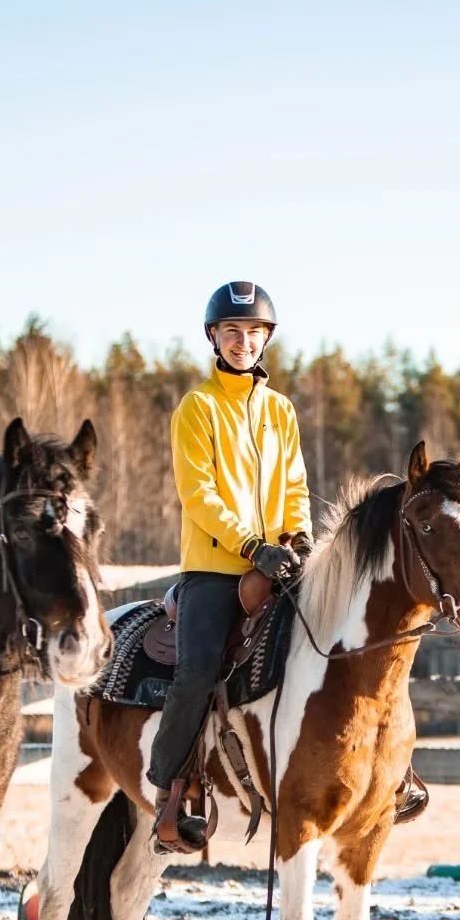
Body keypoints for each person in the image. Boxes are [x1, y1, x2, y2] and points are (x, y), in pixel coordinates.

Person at [148, 281, 313, 848]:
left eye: (253, 333)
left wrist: (300, 537)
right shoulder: (198, 407)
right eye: (232, 332)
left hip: (280, 563)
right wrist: (250, 546)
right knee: (196, 673)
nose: (243, 342)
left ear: (266, 340)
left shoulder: (280, 410)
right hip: (217, 569)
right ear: (213, 337)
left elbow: (294, 484)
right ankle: (166, 784)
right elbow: (199, 494)